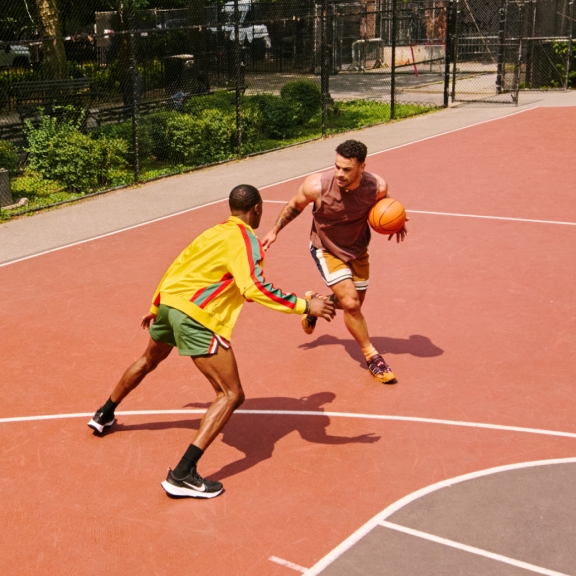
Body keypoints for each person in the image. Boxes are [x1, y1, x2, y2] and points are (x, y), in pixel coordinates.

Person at [88, 184, 336, 499]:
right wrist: (304, 305)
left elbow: (175, 268)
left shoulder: (211, 233)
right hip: (196, 317)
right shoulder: (246, 241)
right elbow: (254, 288)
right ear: (257, 209)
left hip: (170, 305)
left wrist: (155, 307)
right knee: (231, 394)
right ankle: (182, 474)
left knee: (147, 360)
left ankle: (104, 414)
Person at [262, 140, 408, 384]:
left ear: (362, 167)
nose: (339, 173)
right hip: (326, 249)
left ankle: (315, 304)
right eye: (337, 167)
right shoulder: (316, 186)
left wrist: (397, 221)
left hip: (358, 250)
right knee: (351, 304)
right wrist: (275, 230)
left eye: (347, 169)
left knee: (354, 303)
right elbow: (295, 205)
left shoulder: (376, 186)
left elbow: (386, 206)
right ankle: (373, 358)